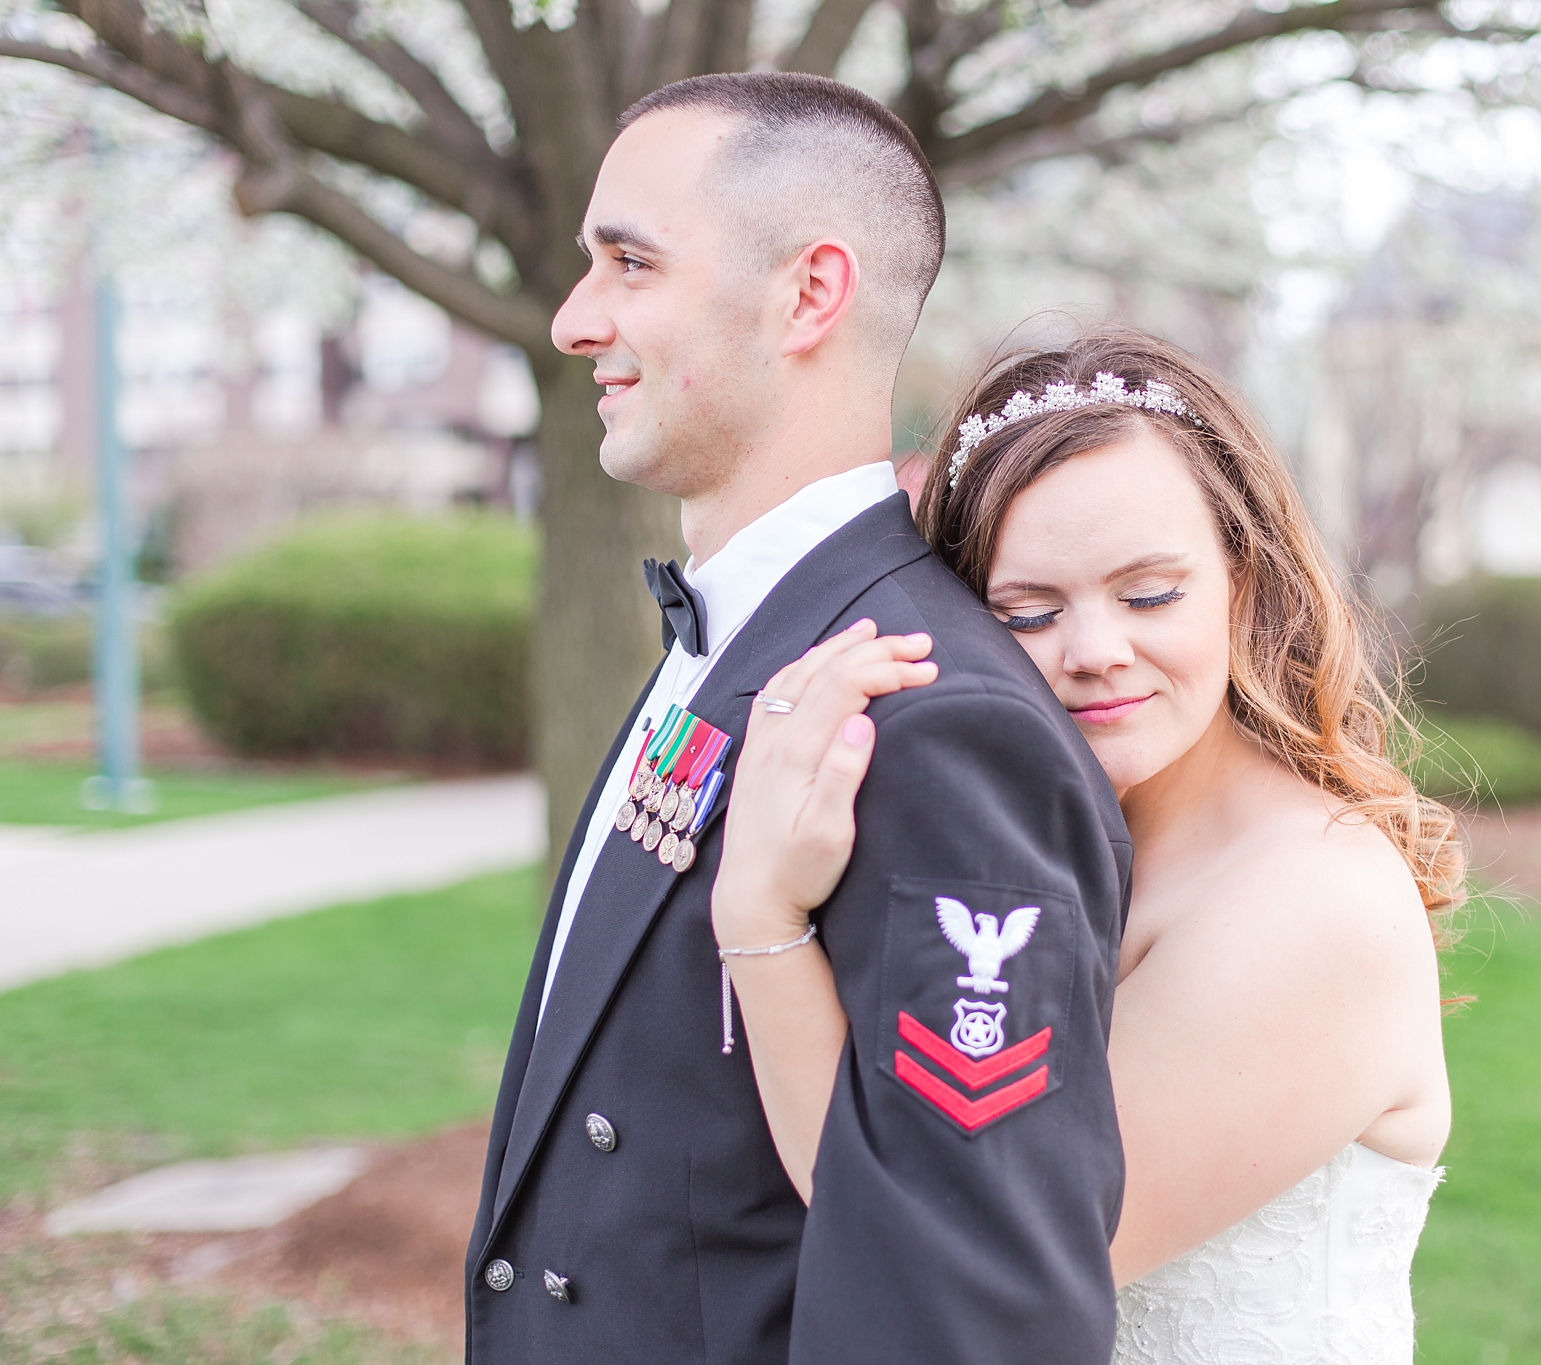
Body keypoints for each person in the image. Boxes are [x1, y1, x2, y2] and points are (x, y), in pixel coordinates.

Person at [463, 74, 1132, 1364]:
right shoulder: (743, 635)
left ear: (810, 294)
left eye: (628, 263)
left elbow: (977, 1306)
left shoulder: (930, 717)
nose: (570, 319)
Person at [711, 324, 1467, 1363]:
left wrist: (758, 920)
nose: (1094, 653)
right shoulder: (1018, 854)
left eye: (1149, 594)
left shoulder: (1313, 905)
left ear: (1242, 583)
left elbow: (943, 1259)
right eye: (1025, 613)